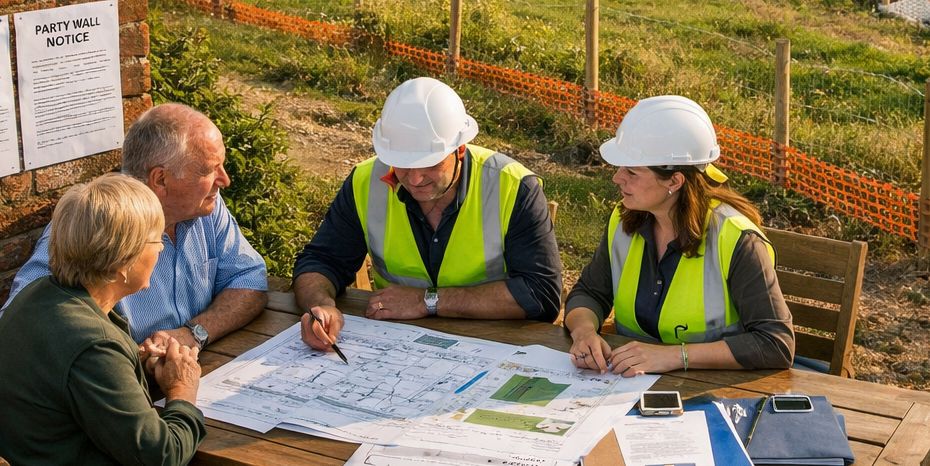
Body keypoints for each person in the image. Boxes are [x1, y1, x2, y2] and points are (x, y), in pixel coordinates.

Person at [0, 103, 286, 466]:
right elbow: (162, 459)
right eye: (152, 242)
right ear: (122, 261)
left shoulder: (60, 296)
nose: (160, 249)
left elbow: (250, 281)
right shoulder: (93, 341)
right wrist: (180, 390)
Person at [295, 77, 563, 347]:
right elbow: (321, 261)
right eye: (402, 164)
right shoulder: (365, 182)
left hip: (497, 344)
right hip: (395, 344)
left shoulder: (512, 186)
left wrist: (427, 300)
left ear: (459, 150)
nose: (414, 179)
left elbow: (540, 296)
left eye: (429, 163)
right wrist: (320, 306)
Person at [565, 95, 795, 376]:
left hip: (716, 392)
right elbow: (589, 292)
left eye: (632, 172)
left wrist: (674, 356)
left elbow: (776, 343)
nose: (617, 178)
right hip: (628, 385)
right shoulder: (623, 219)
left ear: (675, 181)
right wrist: (584, 331)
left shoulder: (737, 240)